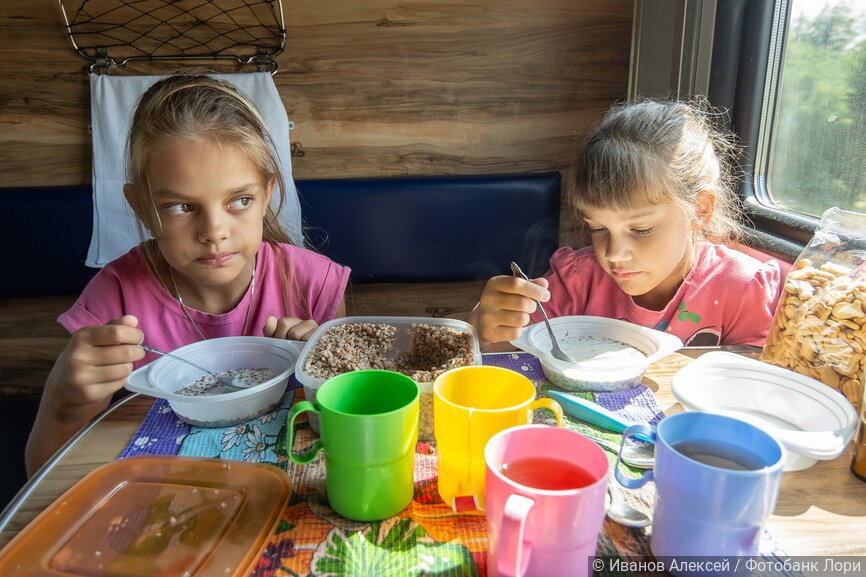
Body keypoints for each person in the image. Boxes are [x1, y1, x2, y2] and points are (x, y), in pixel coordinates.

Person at [26, 75, 350, 476]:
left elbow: (347, 435)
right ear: (142, 208)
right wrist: (65, 398)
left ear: (266, 195)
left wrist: (324, 375)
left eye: (240, 200)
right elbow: (44, 476)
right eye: (180, 206)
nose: (214, 231)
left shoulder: (313, 285)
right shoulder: (115, 300)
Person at [469, 98, 783, 352]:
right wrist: (485, 324)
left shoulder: (741, 288)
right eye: (598, 228)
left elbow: (754, 383)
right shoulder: (579, 281)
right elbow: (503, 347)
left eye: (641, 229)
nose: (614, 254)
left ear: (699, 211)